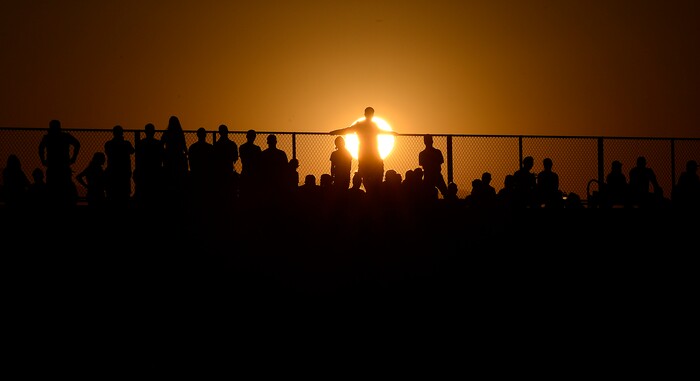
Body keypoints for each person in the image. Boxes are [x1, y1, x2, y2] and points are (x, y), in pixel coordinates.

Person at [329, 107, 398, 199]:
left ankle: (372, 193)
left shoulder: (371, 125)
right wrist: (335, 132)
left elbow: (348, 130)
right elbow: (347, 130)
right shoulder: (363, 125)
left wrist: (391, 133)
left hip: (371, 154)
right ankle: (371, 194)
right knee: (367, 174)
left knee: (373, 173)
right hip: (367, 154)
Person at [38, 119, 81, 207]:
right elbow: (77, 144)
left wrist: (43, 160)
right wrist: (73, 157)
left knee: (53, 187)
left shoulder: (48, 137)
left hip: (54, 166)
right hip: (62, 166)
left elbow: (40, 148)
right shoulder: (64, 136)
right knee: (64, 186)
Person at [134, 123, 164, 208]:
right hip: (155, 171)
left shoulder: (141, 143)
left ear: (145, 132)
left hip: (144, 171)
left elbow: (138, 157)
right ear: (154, 132)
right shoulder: (158, 143)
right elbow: (162, 155)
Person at [104, 125, 135, 208]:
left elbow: (108, 152)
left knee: (113, 193)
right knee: (124, 193)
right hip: (124, 171)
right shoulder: (126, 144)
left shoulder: (109, 144)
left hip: (113, 172)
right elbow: (132, 151)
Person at [161, 116, 189, 201]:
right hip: (178, 156)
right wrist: (186, 154)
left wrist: (164, 152)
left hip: (169, 157)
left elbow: (161, 143)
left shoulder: (167, 133)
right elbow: (184, 145)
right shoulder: (179, 133)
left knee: (169, 177)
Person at [213, 124, 240, 202]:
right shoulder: (232, 144)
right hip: (228, 169)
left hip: (220, 171)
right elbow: (235, 157)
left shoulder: (217, 145)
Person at [418, 134, 448, 198]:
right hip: (433, 175)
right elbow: (440, 162)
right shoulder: (436, 152)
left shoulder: (423, 154)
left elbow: (423, 164)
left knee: (444, 192)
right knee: (445, 192)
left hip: (431, 176)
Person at [238, 129, 263, 202]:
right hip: (254, 174)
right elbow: (259, 162)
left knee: (245, 194)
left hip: (246, 172)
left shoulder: (242, 147)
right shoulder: (257, 149)